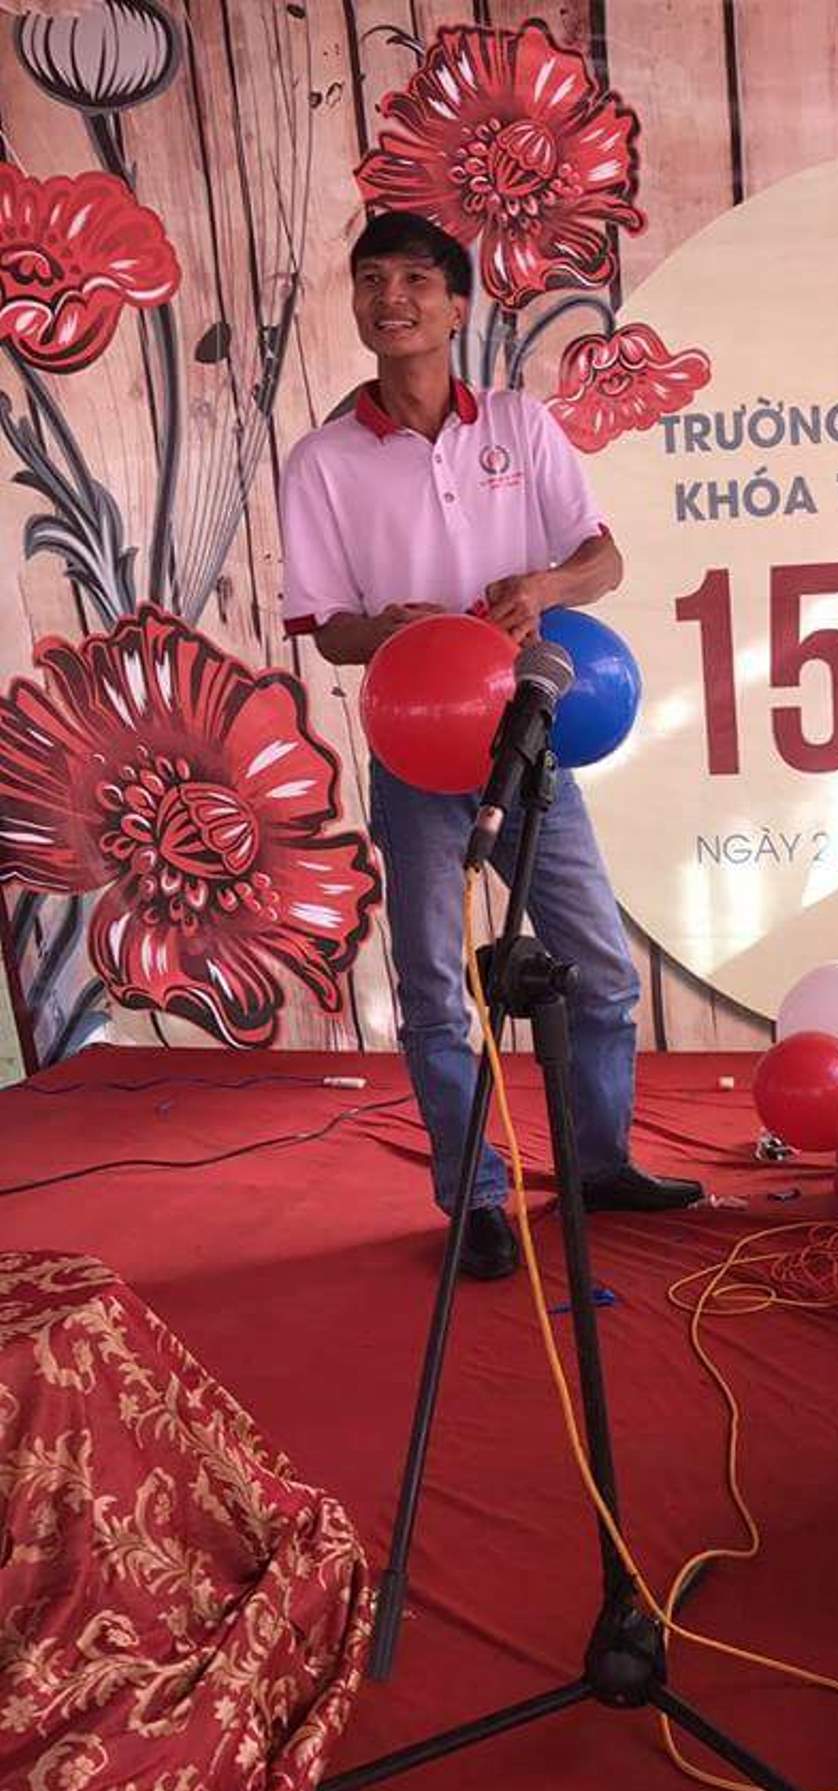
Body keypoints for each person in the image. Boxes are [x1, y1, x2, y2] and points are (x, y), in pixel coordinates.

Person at [278, 210, 701, 1279]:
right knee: (434, 986)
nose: (392, 298)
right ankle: (472, 1198)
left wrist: (544, 586)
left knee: (599, 968)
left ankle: (597, 1162)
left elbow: (602, 559)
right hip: (417, 747)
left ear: (456, 304)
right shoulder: (323, 461)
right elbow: (327, 627)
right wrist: (394, 630)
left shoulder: (519, 422)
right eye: (372, 279)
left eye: (415, 279)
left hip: (527, 735)